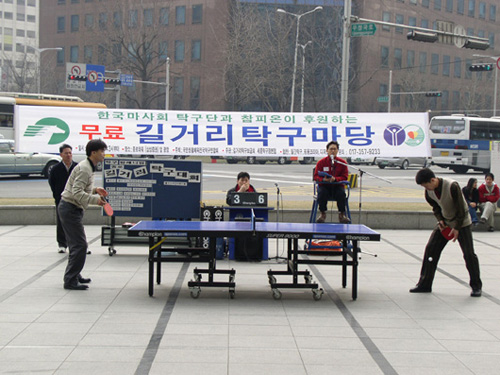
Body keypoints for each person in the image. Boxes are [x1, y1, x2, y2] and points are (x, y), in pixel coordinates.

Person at [410, 168, 482, 297]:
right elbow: (435, 207)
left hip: (462, 222)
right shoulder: (428, 192)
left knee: (469, 254)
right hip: (446, 222)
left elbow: (461, 208)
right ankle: (424, 284)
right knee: (431, 249)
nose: (426, 188)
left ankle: (476, 286)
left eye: (426, 185)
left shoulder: (452, 186)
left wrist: (457, 228)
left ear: (433, 180)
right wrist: (440, 220)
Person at [59, 139, 108, 290]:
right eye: (102, 151)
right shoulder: (85, 168)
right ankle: (70, 280)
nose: (104, 154)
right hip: (70, 208)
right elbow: (76, 192)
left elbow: (82, 188)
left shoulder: (89, 167)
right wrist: (96, 200)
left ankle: (75, 274)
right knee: (80, 245)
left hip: (73, 208)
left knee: (76, 245)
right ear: (93, 153)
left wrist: (95, 190)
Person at [48, 144, 77, 253]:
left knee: (76, 222)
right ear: (61, 155)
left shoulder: (77, 167)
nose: (69, 155)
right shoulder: (56, 169)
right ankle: (62, 244)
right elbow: (52, 184)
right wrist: (57, 196)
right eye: (66, 153)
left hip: (75, 199)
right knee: (61, 221)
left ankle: (76, 244)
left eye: (70, 153)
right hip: (61, 199)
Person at [313, 141, 350, 224]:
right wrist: (323, 179)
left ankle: (341, 214)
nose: (332, 151)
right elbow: (315, 176)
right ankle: (322, 213)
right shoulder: (321, 162)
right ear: (327, 150)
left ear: (337, 150)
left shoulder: (342, 163)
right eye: (331, 149)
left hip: (337, 186)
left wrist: (336, 179)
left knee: (341, 193)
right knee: (322, 193)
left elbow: (345, 177)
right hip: (325, 185)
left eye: (335, 149)